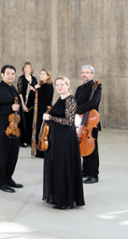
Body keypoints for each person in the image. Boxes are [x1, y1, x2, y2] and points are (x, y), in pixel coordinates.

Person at [42, 76, 85, 209]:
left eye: (62, 84)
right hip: (56, 137)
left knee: (63, 166)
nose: (59, 87)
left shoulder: (70, 100)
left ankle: (65, 199)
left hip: (65, 138)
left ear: (68, 85)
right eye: (57, 85)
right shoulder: (60, 99)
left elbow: (69, 121)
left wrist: (50, 117)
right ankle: (57, 196)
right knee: (56, 165)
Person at [0, 65, 23, 193]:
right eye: (8, 73)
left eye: (13, 74)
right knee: (3, 156)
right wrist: (10, 108)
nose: (11, 76)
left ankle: (8, 179)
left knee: (13, 155)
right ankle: (1, 182)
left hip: (15, 128)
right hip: (2, 129)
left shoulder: (13, 88)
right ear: (2, 75)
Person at [75, 65, 102, 184]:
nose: (84, 74)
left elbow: (93, 103)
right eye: (83, 72)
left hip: (91, 121)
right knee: (82, 145)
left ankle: (93, 174)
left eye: (87, 72)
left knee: (92, 148)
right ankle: (85, 171)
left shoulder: (97, 87)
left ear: (92, 74)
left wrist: (77, 109)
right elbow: (75, 102)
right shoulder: (80, 88)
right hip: (80, 121)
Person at [34, 69, 54, 158]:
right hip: (40, 110)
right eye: (41, 74)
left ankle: (42, 151)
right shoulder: (43, 86)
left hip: (44, 110)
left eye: (44, 74)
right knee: (38, 129)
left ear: (48, 76)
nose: (41, 76)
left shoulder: (49, 86)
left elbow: (45, 98)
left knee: (42, 130)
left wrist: (38, 89)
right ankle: (39, 150)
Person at [17, 62, 37, 147]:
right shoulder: (21, 78)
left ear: (31, 69)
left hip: (32, 104)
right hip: (24, 103)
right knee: (23, 122)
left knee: (30, 122)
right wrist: (23, 105)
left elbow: (37, 91)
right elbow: (20, 93)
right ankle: (22, 140)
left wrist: (33, 89)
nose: (27, 70)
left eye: (28, 68)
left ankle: (29, 140)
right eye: (25, 68)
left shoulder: (34, 79)